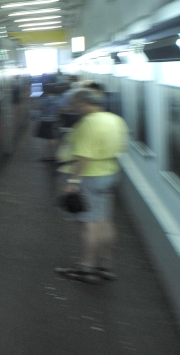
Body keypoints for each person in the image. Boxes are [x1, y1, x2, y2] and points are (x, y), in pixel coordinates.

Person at [54, 88, 129, 284]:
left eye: (76, 104)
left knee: (88, 225)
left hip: (88, 177)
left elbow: (83, 156)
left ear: (85, 104)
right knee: (104, 220)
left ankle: (87, 268)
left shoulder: (89, 123)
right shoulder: (115, 119)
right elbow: (121, 147)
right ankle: (106, 266)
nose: (73, 108)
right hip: (108, 172)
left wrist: (72, 182)